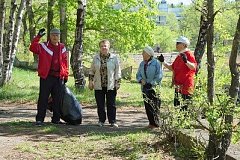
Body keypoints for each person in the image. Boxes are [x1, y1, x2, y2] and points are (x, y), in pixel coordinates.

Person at [29, 28, 69, 126]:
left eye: (57, 35)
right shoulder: (43, 46)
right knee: (43, 98)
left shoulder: (62, 47)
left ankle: (56, 119)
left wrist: (66, 74)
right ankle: (39, 119)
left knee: (57, 99)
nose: (55, 37)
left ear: (59, 36)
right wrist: (38, 37)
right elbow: (32, 48)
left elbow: (65, 62)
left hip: (58, 77)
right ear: (50, 36)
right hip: (46, 77)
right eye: (53, 35)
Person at [88, 39, 121, 128]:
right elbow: (92, 70)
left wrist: (118, 82)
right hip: (99, 84)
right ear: (99, 47)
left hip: (111, 85)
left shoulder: (114, 58)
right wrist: (90, 81)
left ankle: (112, 121)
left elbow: (118, 71)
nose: (104, 47)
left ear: (108, 47)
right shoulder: (96, 58)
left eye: (105, 46)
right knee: (100, 104)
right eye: (102, 46)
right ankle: (101, 120)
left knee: (111, 104)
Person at [158, 36, 196, 110]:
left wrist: (186, 61)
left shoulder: (189, 54)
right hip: (178, 87)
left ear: (184, 45)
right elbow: (172, 68)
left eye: (178, 43)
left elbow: (193, 67)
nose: (176, 45)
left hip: (186, 87)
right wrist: (163, 61)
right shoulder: (179, 56)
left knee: (184, 109)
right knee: (177, 107)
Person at [136, 46, 163, 129]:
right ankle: (151, 123)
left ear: (148, 54)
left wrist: (151, 83)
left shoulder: (156, 63)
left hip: (154, 88)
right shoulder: (142, 63)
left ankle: (156, 124)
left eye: (143, 52)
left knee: (155, 105)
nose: (142, 54)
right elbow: (138, 75)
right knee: (147, 105)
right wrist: (141, 80)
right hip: (144, 88)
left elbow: (159, 76)